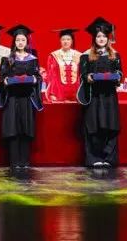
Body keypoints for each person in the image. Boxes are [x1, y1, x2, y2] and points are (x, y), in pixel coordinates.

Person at [77, 17, 122, 168]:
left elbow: (120, 73)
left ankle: (109, 158)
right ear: (94, 39)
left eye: (103, 36)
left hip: (109, 96)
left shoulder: (115, 56)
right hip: (94, 97)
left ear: (108, 38)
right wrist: (88, 77)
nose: (101, 39)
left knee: (111, 125)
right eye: (98, 36)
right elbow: (82, 75)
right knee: (94, 126)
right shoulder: (85, 56)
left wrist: (117, 77)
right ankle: (94, 158)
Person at [0, 25, 43, 169]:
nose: (20, 42)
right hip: (12, 99)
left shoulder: (33, 59)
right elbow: (1, 78)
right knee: (13, 130)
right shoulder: (7, 59)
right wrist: (5, 81)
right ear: (14, 42)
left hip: (27, 99)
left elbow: (38, 77)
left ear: (27, 42)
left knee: (25, 130)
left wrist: (34, 80)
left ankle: (25, 162)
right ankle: (14, 162)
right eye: (18, 40)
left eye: (23, 40)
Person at [45, 28, 81, 102]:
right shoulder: (53, 56)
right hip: (58, 93)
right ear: (60, 41)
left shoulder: (79, 55)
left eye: (68, 39)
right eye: (63, 39)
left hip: (76, 93)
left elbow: (81, 75)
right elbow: (51, 76)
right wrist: (52, 93)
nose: (65, 41)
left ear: (72, 41)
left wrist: (81, 93)